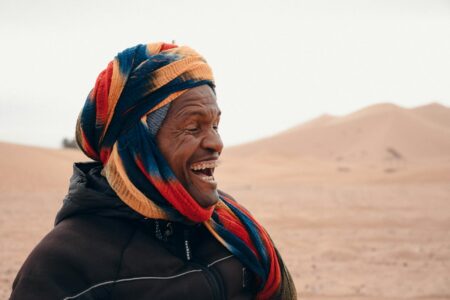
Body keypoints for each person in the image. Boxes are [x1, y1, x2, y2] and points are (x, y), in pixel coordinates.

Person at [10, 42, 296, 300]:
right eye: (193, 127)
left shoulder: (232, 229)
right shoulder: (62, 266)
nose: (216, 143)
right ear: (138, 146)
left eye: (215, 126)